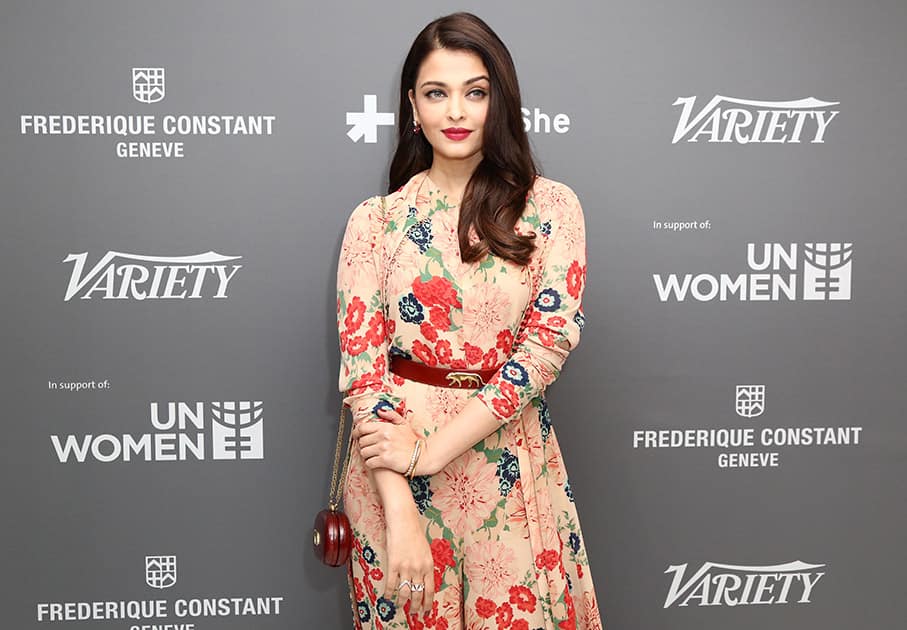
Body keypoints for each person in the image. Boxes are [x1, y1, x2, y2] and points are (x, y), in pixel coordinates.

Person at [337, 12, 603, 630]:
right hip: (390, 482)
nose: (455, 111)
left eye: (475, 91)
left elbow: (543, 351)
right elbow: (364, 377)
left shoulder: (551, 208)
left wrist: (429, 453)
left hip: (508, 468)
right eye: (436, 92)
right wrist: (399, 510)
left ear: (499, 101)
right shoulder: (375, 222)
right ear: (412, 104)